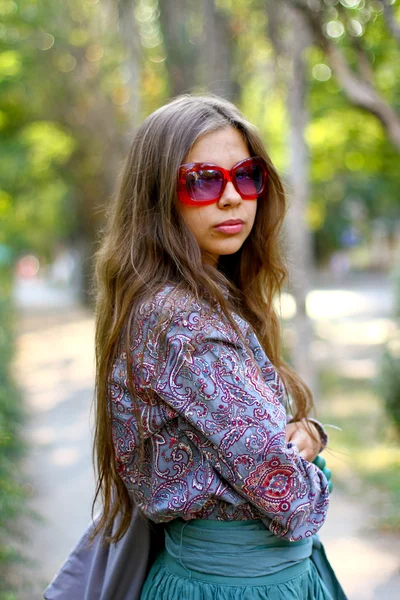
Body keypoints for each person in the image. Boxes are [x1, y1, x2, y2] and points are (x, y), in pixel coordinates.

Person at [46, 94, 347, 600]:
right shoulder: (181, 321)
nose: (232, 197)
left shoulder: (203, 299)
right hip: (233, 587)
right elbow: (292, 499)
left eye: (246, 176)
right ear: (158, 195)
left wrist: (307, 434)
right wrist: (313, 457)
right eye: (203, 180)